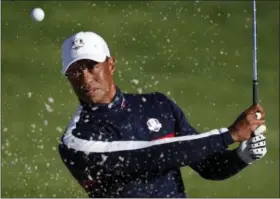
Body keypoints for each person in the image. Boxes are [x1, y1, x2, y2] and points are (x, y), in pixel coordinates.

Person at [58, 31, 268, 198]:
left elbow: (209, 166)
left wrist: (242, 156)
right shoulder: (76, 141)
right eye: (75, 71)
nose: (85, 79)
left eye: (92, 66)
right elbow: (153, 154)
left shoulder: (158, 105)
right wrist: (230, 135)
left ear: (111, 64)